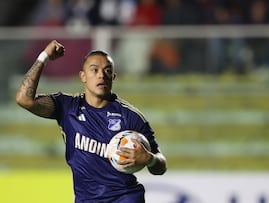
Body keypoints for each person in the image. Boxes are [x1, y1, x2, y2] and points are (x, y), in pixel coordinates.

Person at [15, 40, 167, 203]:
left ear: (113, 77)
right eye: (94, 70)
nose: (101, 75)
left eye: (107, 71)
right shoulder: (67, 107)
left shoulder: (131, 117)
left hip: (124, 198)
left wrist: (150, 159)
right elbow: (24, 99)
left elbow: (161, 166)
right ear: (83, 76)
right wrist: (44, 57)